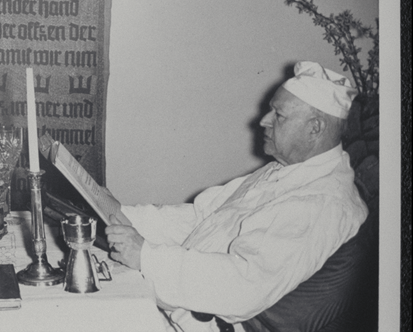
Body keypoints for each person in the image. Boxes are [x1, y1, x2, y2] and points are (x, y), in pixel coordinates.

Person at [105, 62, 368, 332]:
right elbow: (203, 218)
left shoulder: (324, 202)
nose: (263, 120)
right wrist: (121, 214)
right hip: (178, 308)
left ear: (315, 128)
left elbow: (244, 284)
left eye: (279, 115)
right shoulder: (289, 169)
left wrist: (146, 257)